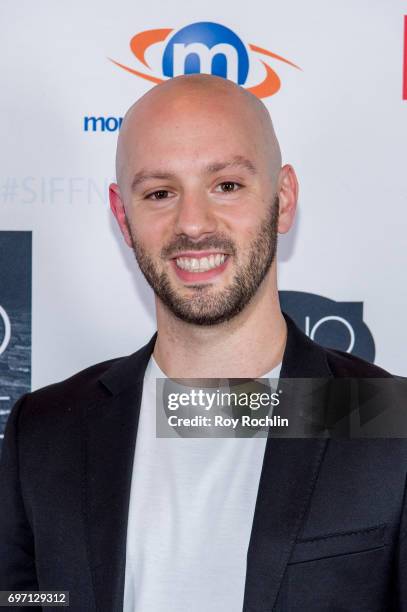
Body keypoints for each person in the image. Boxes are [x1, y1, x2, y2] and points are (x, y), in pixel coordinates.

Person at [0, 74, 406, 612]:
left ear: (283, 199)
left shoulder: (384, 417)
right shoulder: (46, 429)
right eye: (161, 193)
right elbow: (26, 601)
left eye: (227, 186)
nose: (193, 224)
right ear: (123, 216)